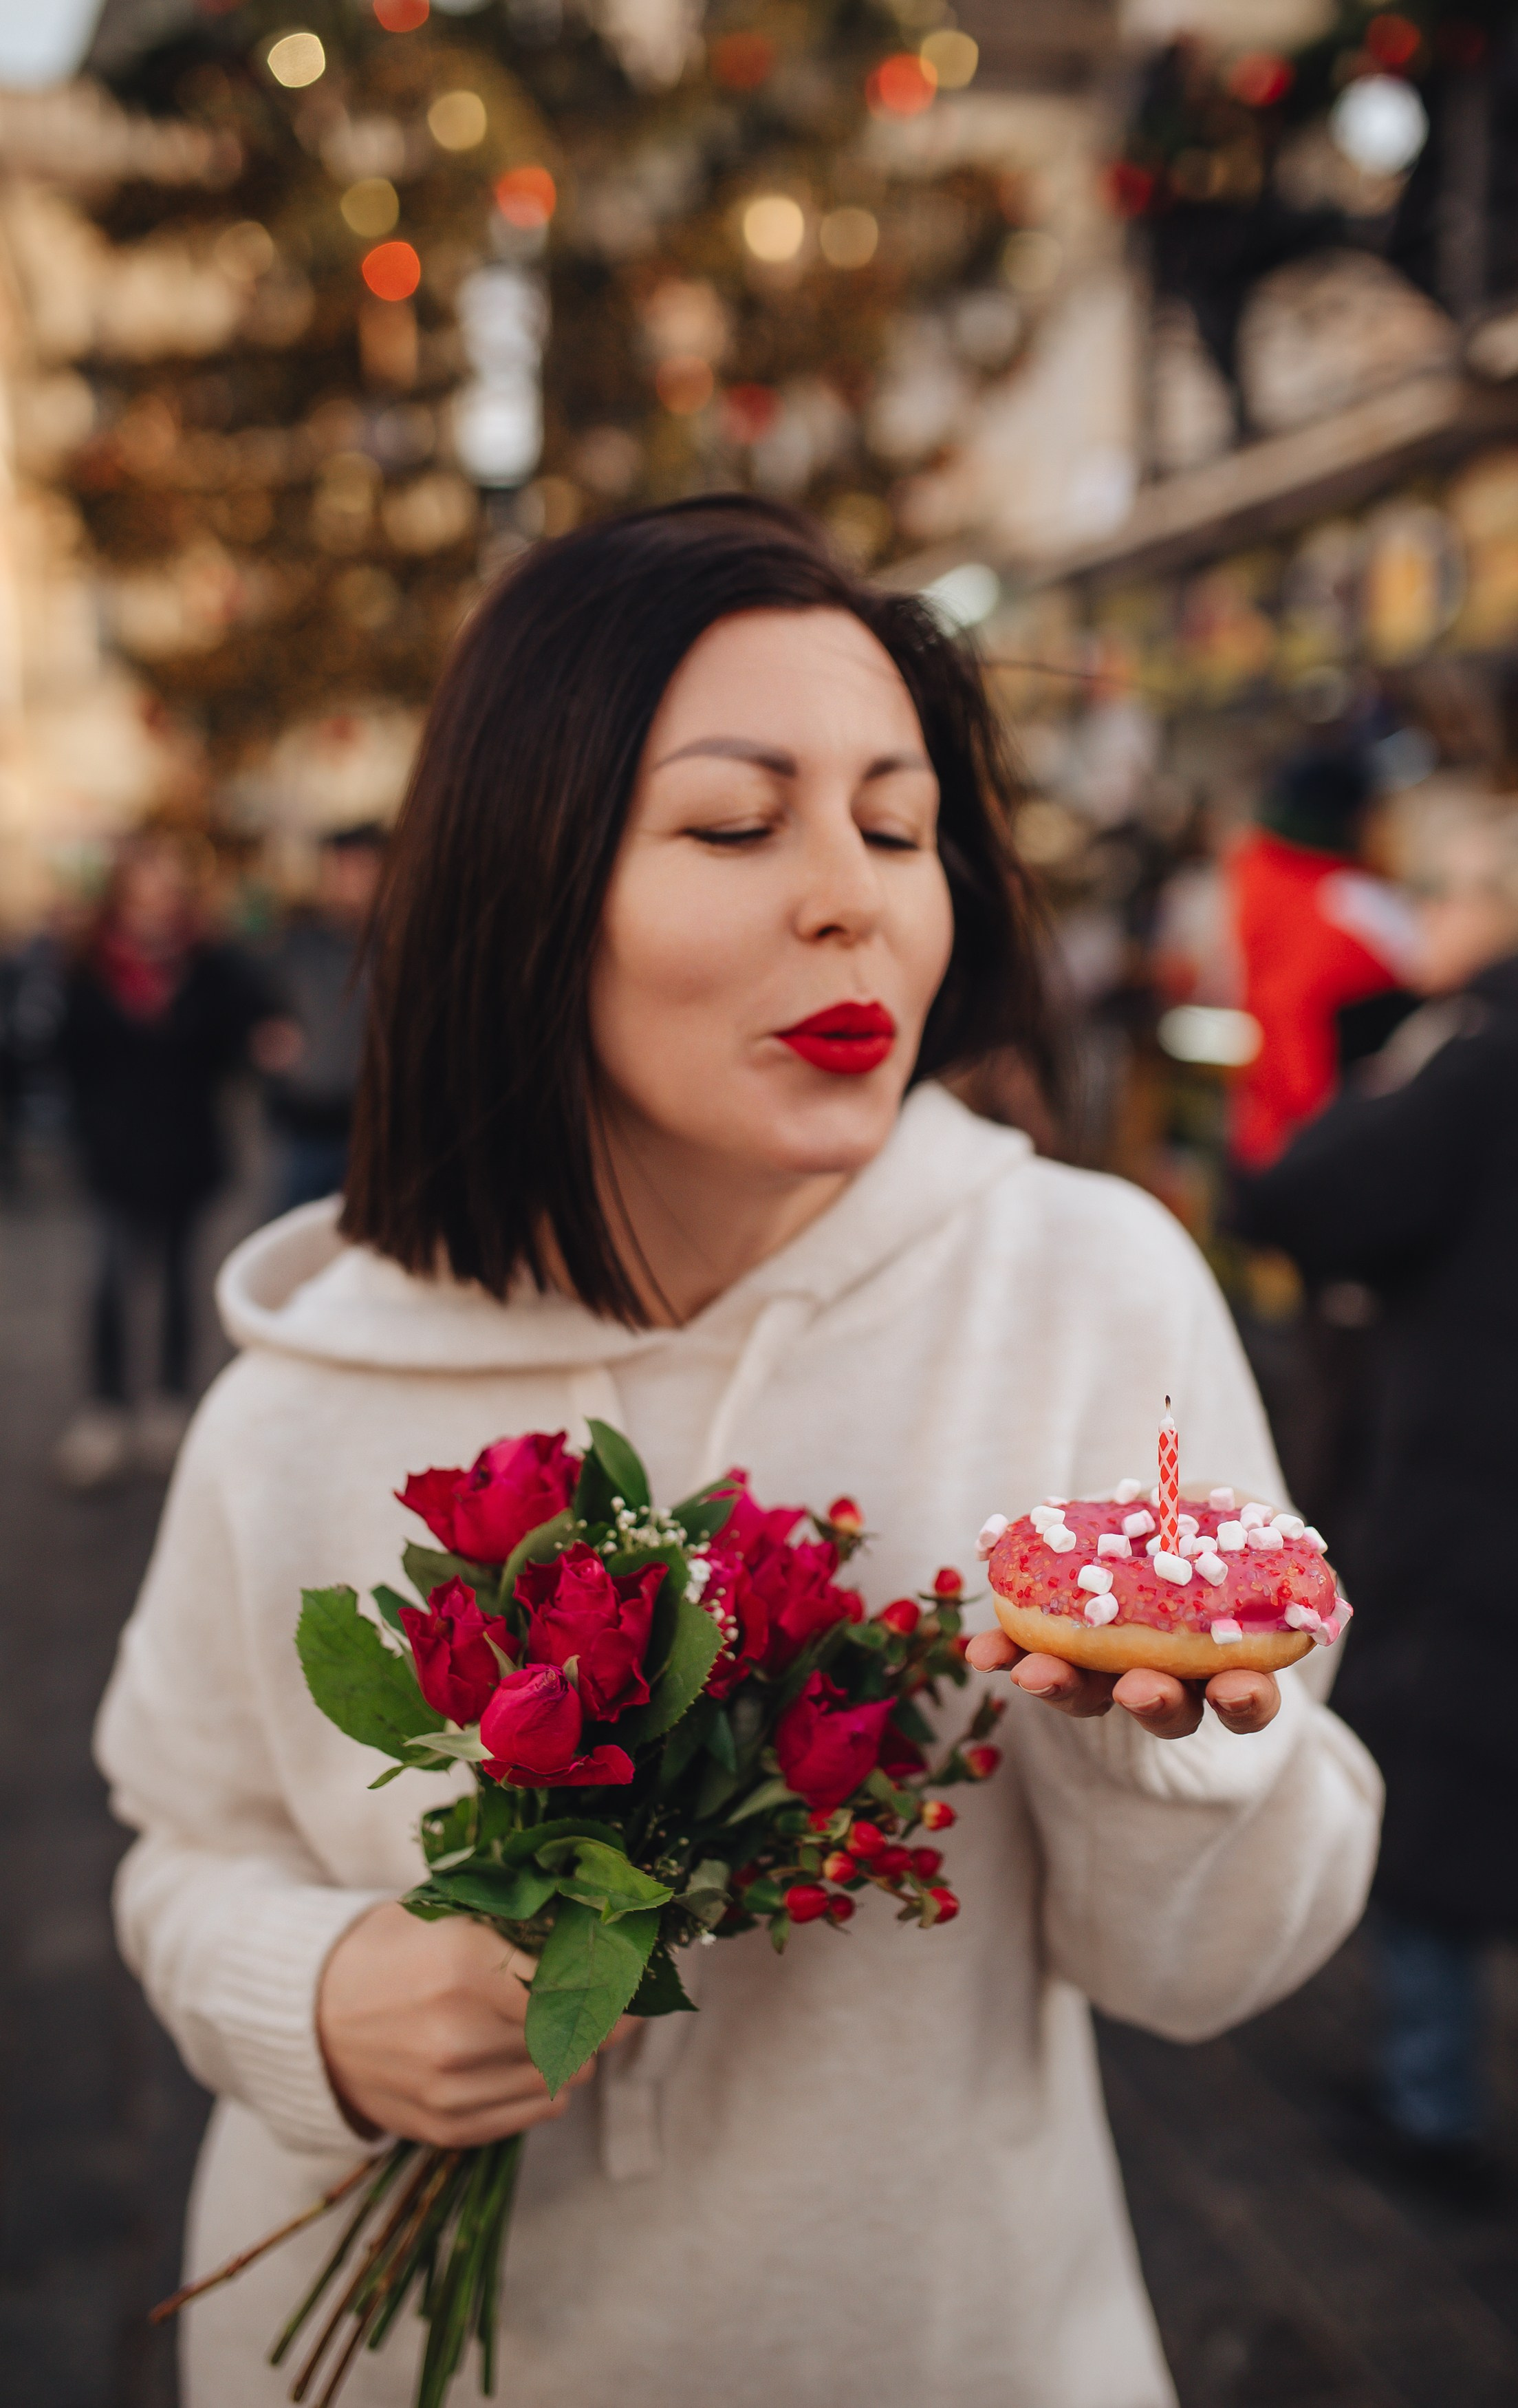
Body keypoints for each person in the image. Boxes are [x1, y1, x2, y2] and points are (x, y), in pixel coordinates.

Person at [95, 499, 1380, 2408]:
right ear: (525, 883)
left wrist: (1166, 1749)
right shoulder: (311, 1384)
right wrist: (317, 1997)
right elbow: (182, 1844)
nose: (852, 900)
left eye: (897, 826)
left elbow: (1203, 1973)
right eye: (732, 823)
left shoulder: (1083, 1295)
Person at [1235, 793, 1518, 2183]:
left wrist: (1382, 1064)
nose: (1418, 919)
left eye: (1442, 891)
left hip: (1483, 1486)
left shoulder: (1483, 1053)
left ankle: (1430, 2104)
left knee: (1440, 1782)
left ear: (1504, 913)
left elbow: (1302, 1198)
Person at [54, 831, 270, 1487]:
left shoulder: (213, 965)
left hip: (186, 1151)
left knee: (180, 1279)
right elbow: (67, 1056)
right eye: (146, 891)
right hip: (114, 1156)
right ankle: (106, 1407)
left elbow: (241, 1040)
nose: (157, 904)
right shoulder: (86, 966)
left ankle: (170, 1401)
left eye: (168, 891)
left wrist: (266, 1044)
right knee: (110, 1280)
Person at [1226, 743, 1419, 1172]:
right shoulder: (1354, 901)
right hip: (1328, 1128)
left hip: (1262, 1121)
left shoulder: (1252, 874)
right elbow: (1435, 967)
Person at [253, 822, 387, 1214]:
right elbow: (259, 1012)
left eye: (360, 869)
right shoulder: (293, 943)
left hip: (379, 1125)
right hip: (308, 1121)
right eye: (340, 869)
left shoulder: (403, 945)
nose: (348, 883)